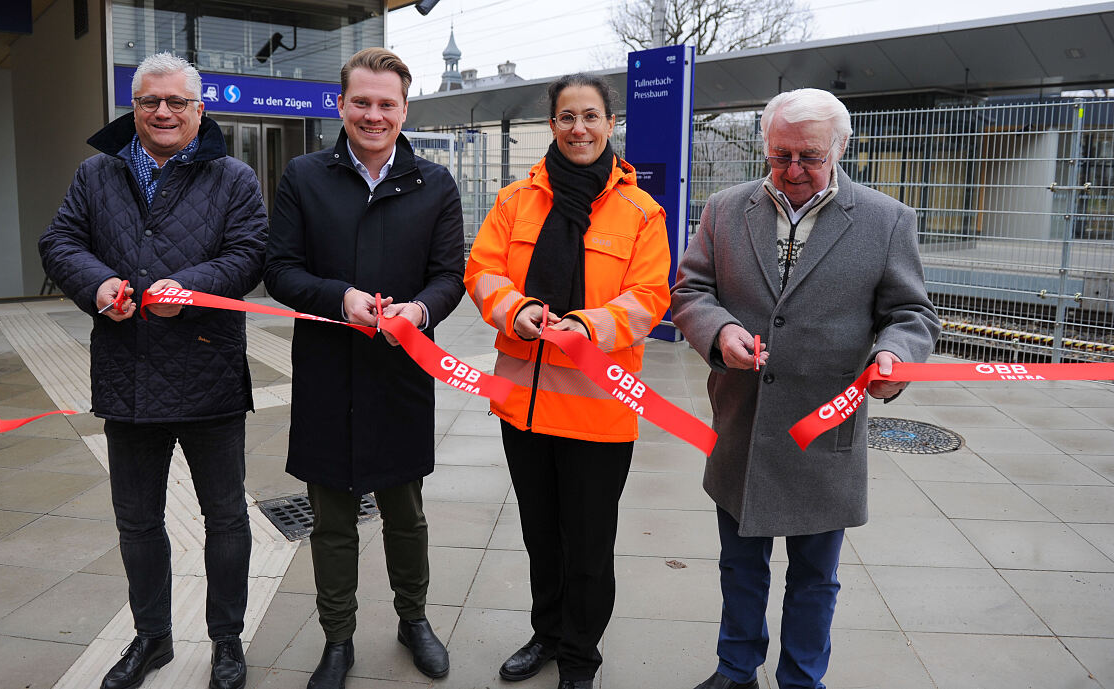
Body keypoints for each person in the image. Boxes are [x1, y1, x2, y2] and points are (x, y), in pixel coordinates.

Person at [671, 88, 940, 689]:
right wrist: (720, 332)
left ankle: (800, 679)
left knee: (815, 575)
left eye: (810, 157)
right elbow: (690, 293)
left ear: (841, 149)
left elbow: (913, 315)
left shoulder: (885, 219)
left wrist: (895, 355)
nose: (793, 171)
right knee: (741, 567)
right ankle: (736, 671)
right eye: (780, 155)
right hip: (742, 425)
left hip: (825, 431)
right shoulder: (725, 208)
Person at [39, 52, 267, 689]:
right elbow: (59, 241)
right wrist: (99, 283)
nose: (162, 112)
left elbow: (250, 253)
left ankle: (226, 641)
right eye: (148, 102)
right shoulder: (96, 172)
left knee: (226, 519)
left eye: (176, 102)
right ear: (132, 106)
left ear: (200, 109)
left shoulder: (233, 177)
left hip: (210, 373)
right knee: (137, 521)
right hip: (126, 372)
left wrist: (185, 287)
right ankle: (152, 638)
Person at [264, 48, 464, 689]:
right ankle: (337, 638)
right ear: (341, 105)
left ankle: (415, 621)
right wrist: (340, 298)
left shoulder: (435, 183)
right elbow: (280, 270)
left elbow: (449, 276)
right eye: (362, 102)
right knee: (331, 521)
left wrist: (421, 311)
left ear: (405, 109)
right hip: (327, 375)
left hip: (400, 375)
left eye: (387, 104)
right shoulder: (303, 176)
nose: (374, 115)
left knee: (406, 515)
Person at [464, 73, 671, 689]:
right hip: (522, 409)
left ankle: (580, 657)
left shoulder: (641, 212)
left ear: (610, 125)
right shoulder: (513, 202)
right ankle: (546, 633)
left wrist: (586, 325)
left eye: (590, 116)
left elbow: (649, 296)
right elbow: (482, 270)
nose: (578, 128)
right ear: (551, 125)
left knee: (587, 546)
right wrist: (516, 309)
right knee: (540, 538)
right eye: (565, 117)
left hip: (599, 412)